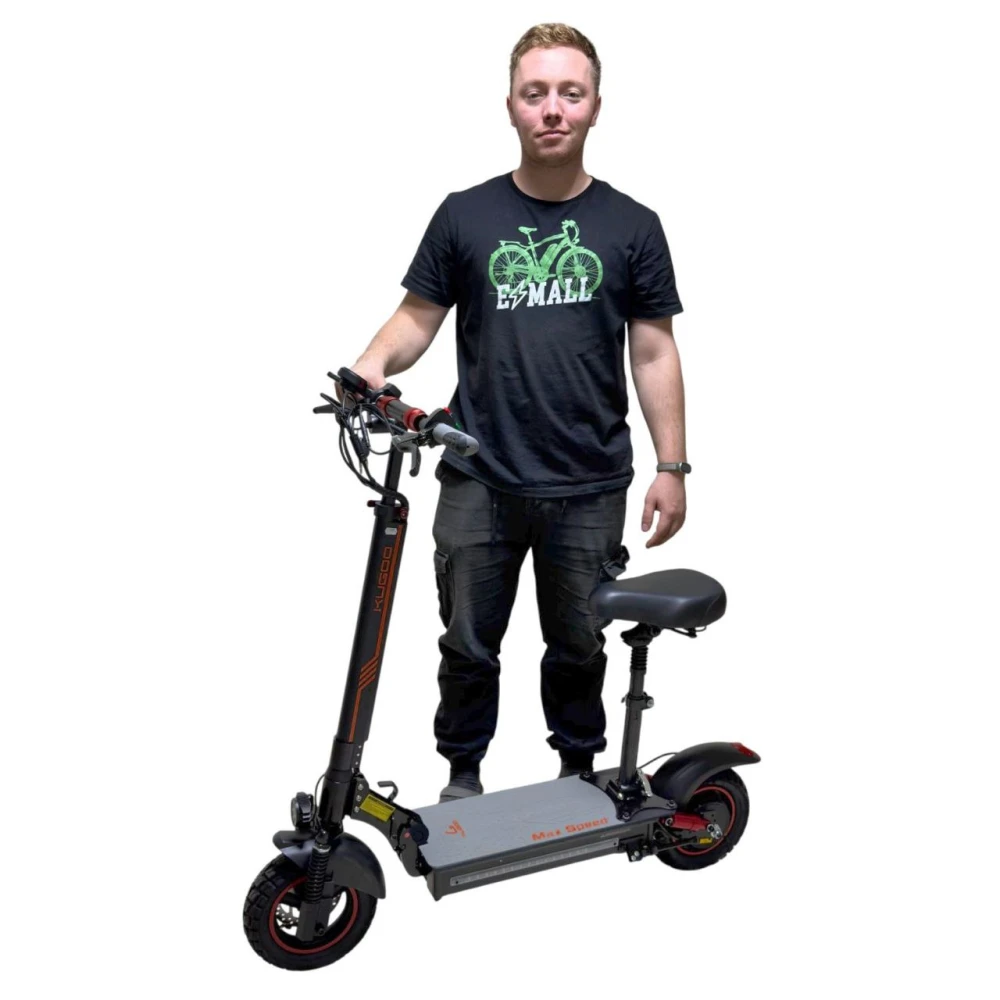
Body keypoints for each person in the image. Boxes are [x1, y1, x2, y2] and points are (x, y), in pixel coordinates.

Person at [345, 23, 688, 802]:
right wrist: (371, 364)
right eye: (536, 94)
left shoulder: (633, 225)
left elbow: (653, 351)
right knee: (468, 646)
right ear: (510, 106)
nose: (553, 109)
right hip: (480, 473)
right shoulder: (464, 215)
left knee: (578, 646)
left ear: (595, 105)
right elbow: (417, 319)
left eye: (571, 92)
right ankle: (463, 777)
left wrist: (672, 466)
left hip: (590, 481)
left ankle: (578, 774)